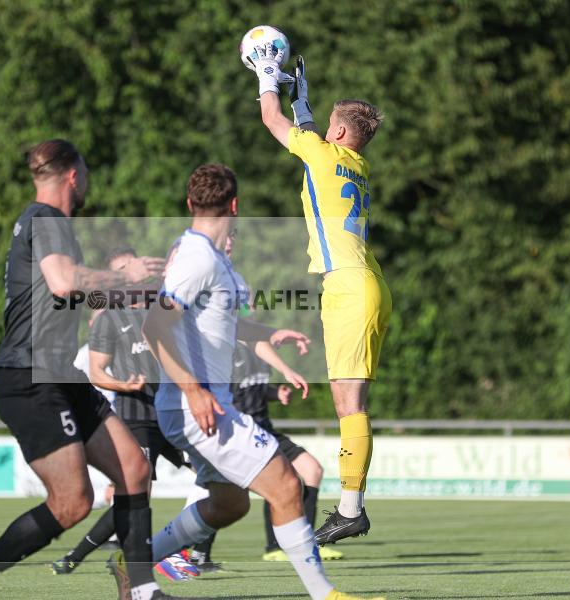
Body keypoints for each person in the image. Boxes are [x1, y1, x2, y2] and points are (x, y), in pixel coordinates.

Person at [0, 140, 204, 600]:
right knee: (72, 504)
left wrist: (147, 290)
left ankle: (140, 589)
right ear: (73, 176)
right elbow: (64, 282)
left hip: (60, 373)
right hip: (31, 377)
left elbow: (69, 293)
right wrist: (125, 276)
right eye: (86, 171)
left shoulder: (46, 224)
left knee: (134, 471)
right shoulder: (47, 220)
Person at [140, 164, 382, 600]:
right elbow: (155, 326)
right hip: (197, 404)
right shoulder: (197, 257)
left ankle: (135, 565)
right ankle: (325, 595)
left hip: (199, 402)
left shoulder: (206, 256)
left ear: (190, 203)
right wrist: (193, 391)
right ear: (235, 206)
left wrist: (267, 334)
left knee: (228, 505)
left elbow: (214, 321)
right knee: (287, 483)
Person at [251, 43, 392, 546]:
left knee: (349, 406)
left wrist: (269, 74)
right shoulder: (356, 164)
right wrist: (306, 107)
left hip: (349, 286)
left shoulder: (321, 150)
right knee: (351, 404)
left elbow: (271, 118)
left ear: (335, 133)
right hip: (369, 282)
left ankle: (352, 510)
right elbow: (315, 139)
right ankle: (351, 507)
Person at [51, 246, 202, 581]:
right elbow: (97, 372)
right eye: (121, 270)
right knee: (134, 493)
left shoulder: (161, 310)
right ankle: (79, 557)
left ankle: (184, 553)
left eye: (131, 268)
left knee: (216, 477)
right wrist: (124, 384)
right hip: (136, 417)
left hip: (173, 415)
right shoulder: (107, 319)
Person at [228, 339, 342, 563]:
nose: (250, 306)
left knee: (312, 470)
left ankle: (307, 542)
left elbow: (254, 389)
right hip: (242, 433)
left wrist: (275, 393)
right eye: (246, 303)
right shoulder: (226, 347)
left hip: (266, 431)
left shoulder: (262, 349)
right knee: (259, 488)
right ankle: (274, 547)